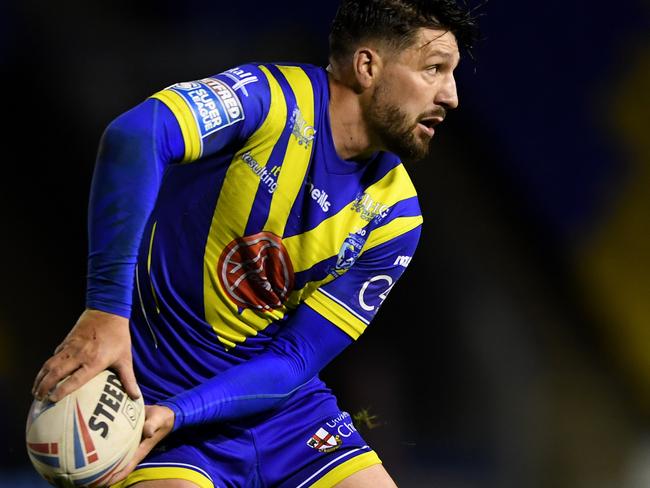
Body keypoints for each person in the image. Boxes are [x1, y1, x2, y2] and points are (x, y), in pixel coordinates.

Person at [32, 1, 479, 486]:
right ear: (368, 66)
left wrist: (184, 412)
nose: (451, 95)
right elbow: (136, 135)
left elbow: (295, 359)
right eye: (434, 70)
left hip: (280, 412)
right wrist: (104, 311)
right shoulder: (269, 98)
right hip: (152, 397)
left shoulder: (397, 215)